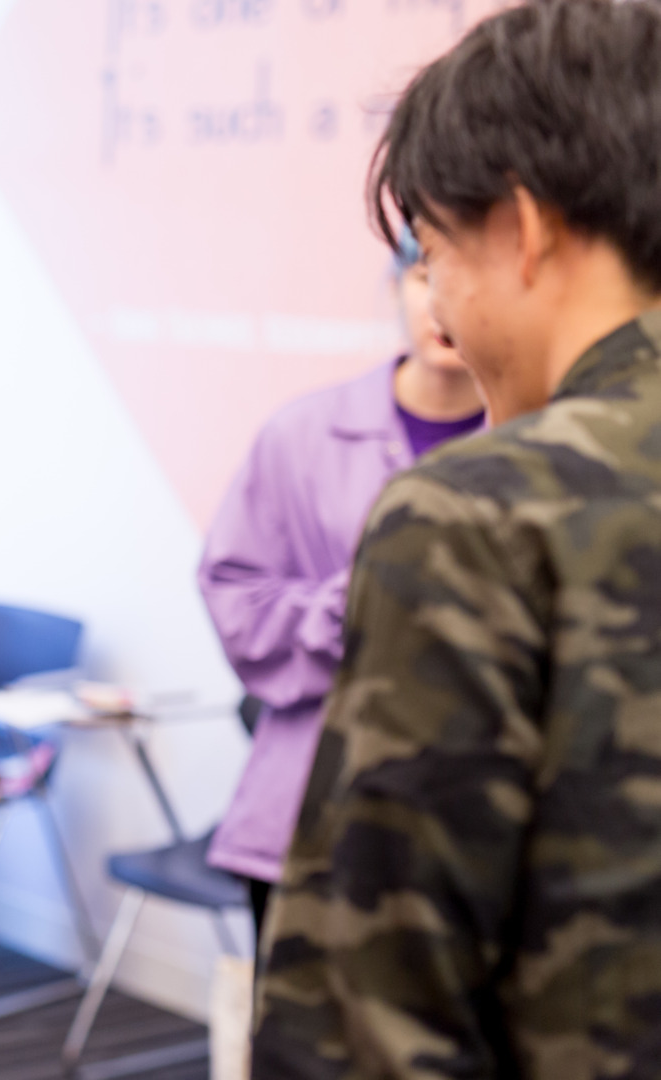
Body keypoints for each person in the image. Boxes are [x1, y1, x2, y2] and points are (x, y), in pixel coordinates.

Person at [253, 1, 661, 1075]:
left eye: (432, 251)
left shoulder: (479, 511)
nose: (435, 299)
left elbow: (368, 1016)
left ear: (523, 228)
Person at [199, 238, 484, 937]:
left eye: (470, 273)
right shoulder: (302, 434)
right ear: (394, 287)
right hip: (309, 816)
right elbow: (236, 600)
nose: (441, 301)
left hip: (470, 828)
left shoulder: (540, 444)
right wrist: (357, 606)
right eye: (423, 275)